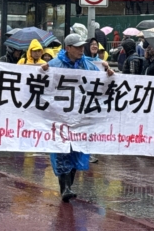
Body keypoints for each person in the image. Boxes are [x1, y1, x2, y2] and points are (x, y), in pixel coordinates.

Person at [41, 33, 113, 201]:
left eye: (82, 47)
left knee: (77, 148)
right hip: (60, 116)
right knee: (62, 149)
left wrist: (107, 73)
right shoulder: (54, 65)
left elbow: (100, 82)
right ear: (68, 48)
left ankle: (69, 185)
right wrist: (41, 71)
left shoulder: (88, 64)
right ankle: (65, 187)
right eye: (78, 47)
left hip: (81, 116)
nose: (82, 50)